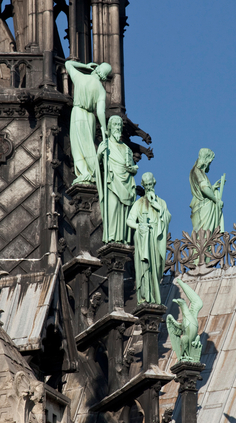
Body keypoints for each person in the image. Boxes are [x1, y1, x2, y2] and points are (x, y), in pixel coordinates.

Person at [65, 60, 112, 185]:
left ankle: (84, 173)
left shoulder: (80, 78)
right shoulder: (101, 90)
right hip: (90, 117)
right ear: (104, 77)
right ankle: (91, 172)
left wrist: (85, 66)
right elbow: (100, 112)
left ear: (96, 70)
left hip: (78, 113)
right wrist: (104, 127)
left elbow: (68, 64)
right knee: (88, 146)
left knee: (78, 148)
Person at [127, 172, 171, 305]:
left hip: (157, 240)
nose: (149, 187)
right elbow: (129, 221)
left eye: (151, 184)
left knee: (157, 268)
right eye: (146, 185)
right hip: (144, 239)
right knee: (145, 267)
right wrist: (139, 226)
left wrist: (157, 206)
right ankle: (146, 297)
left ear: (154, 183)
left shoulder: (161, 202)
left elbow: (168, 218)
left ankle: (155, 296)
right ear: (144, 186)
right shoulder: (139, 203)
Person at [97, 115, 138, 243]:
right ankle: (111, 236)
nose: (118, 128)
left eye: (119, 125)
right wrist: (99, 155)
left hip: (125, 182)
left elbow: (132, 167)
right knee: (113, 208)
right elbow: (97, 168)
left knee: (123, 212)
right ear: (109, 127)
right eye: (115, 125)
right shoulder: (105, 144)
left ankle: (122, 238)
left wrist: (133, 169)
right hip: (112, 182)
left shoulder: (127, 149)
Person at [189, 148, 225, 233]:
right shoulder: (197, 171)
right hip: (203, 209)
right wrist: (216, 200)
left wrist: (212, 188)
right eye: (210, 162)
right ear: (206, 160)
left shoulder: (196, 171)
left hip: (201, 207)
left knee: (205, 237)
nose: (210, 164)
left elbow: (200, 191)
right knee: (202, 236)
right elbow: (203, 188)